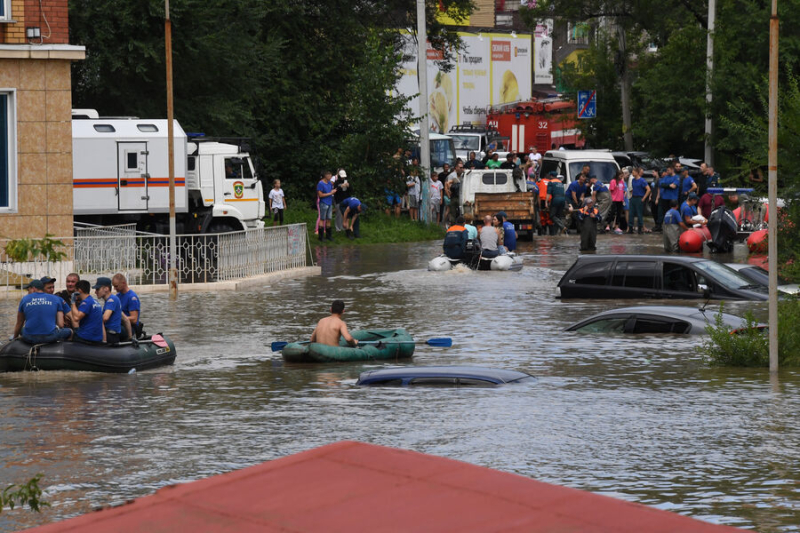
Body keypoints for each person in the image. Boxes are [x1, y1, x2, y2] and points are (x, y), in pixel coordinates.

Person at [12, 279, 71, 344]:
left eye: (28, 290)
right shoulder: (56, 299)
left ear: (33, 289)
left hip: (29, 337)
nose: (28, 293)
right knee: (70, 331)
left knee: (20, 329)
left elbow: (19, 323)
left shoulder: (24, 299)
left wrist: (14, 338)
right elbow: (61, 324)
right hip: (50, 337)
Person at [94, 277, 132, 344]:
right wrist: (130, 338)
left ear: (106, 289)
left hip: (110, 335)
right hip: (113, 335)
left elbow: (105, 318)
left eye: (98, 289)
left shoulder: (111, 300)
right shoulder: (114, 299)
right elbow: (126, 320)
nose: (95, 292)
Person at [70, 279, 106, 344]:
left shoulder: (86, 302)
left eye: (75, 291)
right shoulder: (94, 301)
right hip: (97, 337)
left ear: (79, 291)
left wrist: (73, 302)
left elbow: (76, 318)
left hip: (87, 337)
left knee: (72, 333)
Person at [112, 273, 142, 338]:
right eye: (114, 286)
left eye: (116, 286)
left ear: (123, 283)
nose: (114, 289)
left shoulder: (132, 297)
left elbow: (134, 319)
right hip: (119, 324)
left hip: (130, 327)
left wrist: (117, 319)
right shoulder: (117, 296)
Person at [656, 165, 679, 234]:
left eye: (668, 170)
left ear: (672, 170)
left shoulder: (676, 177)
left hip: (673, 198)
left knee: (673, 213)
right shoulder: (665, 177)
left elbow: (674, 186)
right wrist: (669, 185)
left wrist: (667, 186)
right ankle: (665, 228)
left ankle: (673, 228)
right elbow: (662, 185)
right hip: (665, 198)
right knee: (665, 213)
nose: (667, 172)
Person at [628, 167, 651, 234]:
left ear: (637, 172)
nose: (632, 173)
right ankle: (630, 228)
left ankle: (640, 228)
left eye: (634, 172)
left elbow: (648, 189)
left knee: (639, 213)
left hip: (639, 198)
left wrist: (644, 198)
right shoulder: (633, 180)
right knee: (631, 213)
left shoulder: (642, 180)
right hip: (633, 197)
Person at [316, 171, 337, 241]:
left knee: (329, 219)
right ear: (326, 176)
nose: (331, 177)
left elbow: (331, 191)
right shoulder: (320, 183)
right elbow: (320, 195)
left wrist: (333, 191)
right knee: (322, 218)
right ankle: (321, 236)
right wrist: (330, 193)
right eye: (330, 175)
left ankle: (328, 236)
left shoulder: (330, 183)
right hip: (323, 203)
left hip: (329, 202)